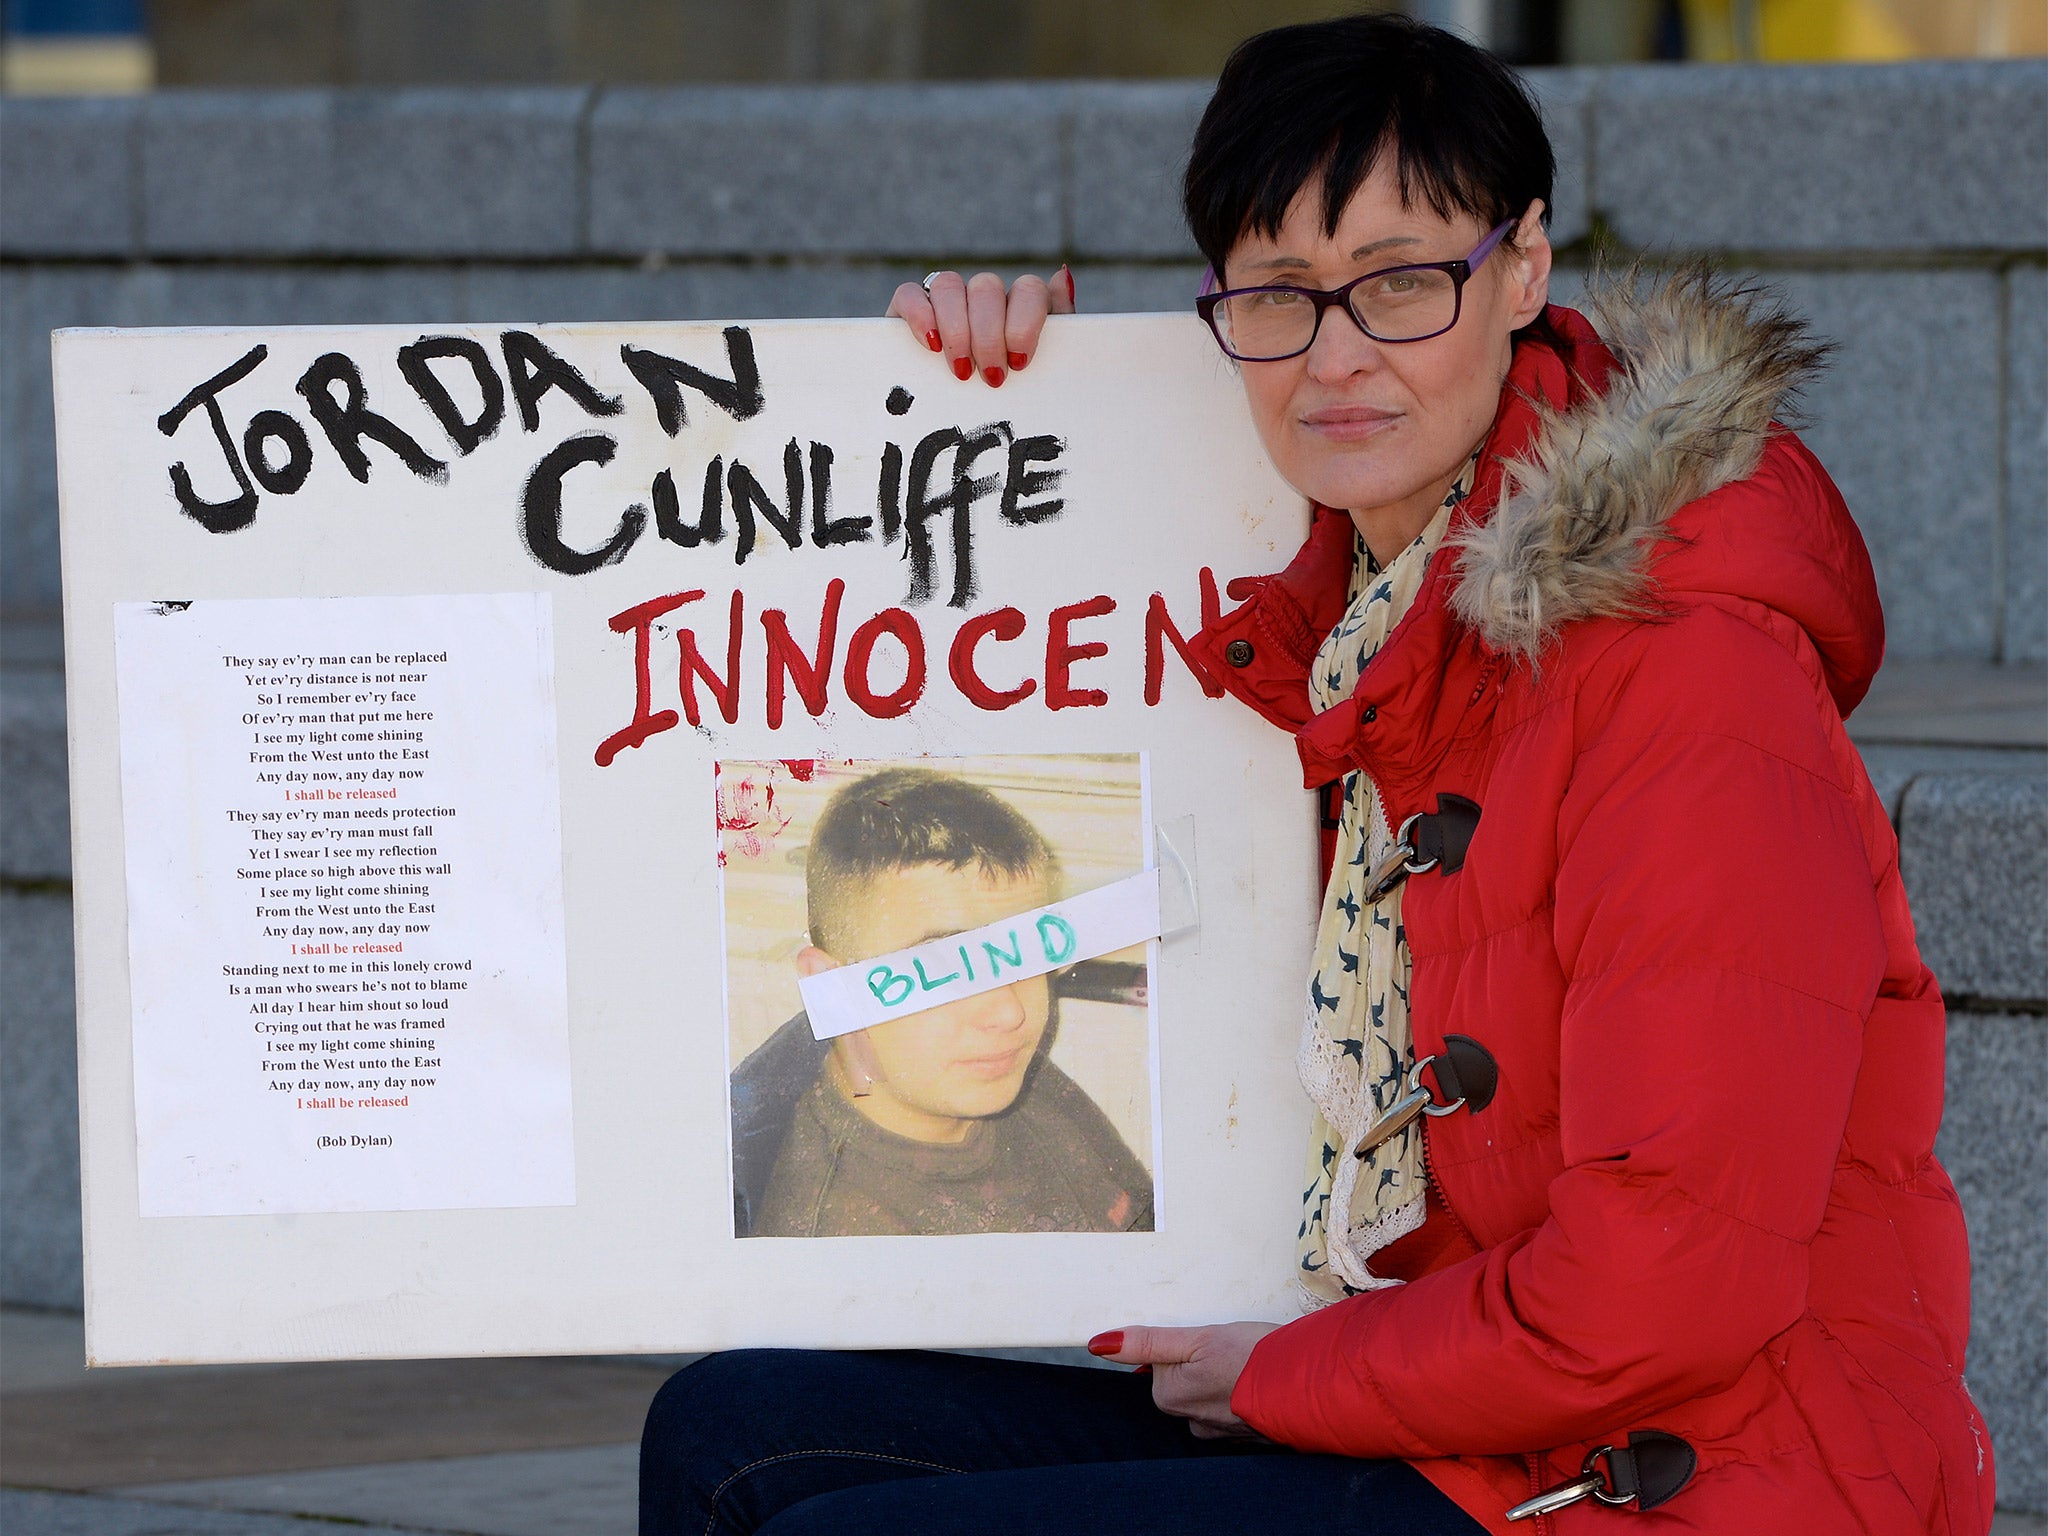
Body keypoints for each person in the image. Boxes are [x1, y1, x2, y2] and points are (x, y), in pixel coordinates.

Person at [643, 13, 1990, 1534]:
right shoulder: (1338, 612)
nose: (1336, 358)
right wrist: (1011, 387)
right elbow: (989, 657)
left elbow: (1665, 1286)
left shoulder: (1690, 673)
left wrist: (1284, 1374)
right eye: (1279, 294)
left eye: (1403, 283)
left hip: (1678, 1470)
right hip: (1439, 1404)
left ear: (1524, 266)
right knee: (734, 1429)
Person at [729, 766, 1154, 1238]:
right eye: (943, 968)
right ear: (833, 989)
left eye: (1027, 953)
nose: (1010, 1013)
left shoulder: (1002, 1075)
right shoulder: (844, 1235)